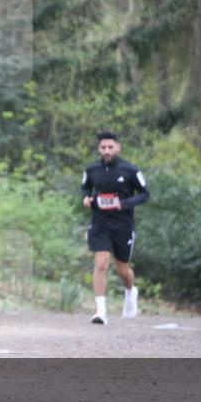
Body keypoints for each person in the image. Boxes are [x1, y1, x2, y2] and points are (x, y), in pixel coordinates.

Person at [81, 131, 149, 324]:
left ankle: (130, 291)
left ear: (118, 147)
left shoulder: (131, 170)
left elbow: (145, 194)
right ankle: (100, 311)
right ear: (98, 149)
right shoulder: (91, 169)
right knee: (101, 263)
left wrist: (124, 204)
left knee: (122, 270)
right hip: (100, 223)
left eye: (110, 147)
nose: (107, 151)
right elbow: (85, 188)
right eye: (103, 147)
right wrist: (85, 198)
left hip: (123, 225)